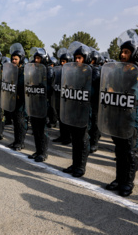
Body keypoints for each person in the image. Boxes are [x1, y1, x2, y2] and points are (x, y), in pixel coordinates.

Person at [104, 30, 138, 197]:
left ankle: (127, 182)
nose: (122, 54)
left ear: (134, 53)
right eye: (122, 51)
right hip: (118, 116)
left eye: (126, 52)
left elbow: (134, 94)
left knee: (130, 152)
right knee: (119, 150)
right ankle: (119, 179)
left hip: (131, 118)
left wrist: (116, 90)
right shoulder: (120, 70)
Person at [62, 42, 93, 177]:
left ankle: (81, 166)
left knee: (82, 139)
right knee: (75, 139)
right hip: (74, 109)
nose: (77, 60)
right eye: (76, 57)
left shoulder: (93, 73)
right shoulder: (72, 72)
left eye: (80, 57)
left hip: (85, 111)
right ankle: (75, 164)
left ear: (85, 58)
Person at [27, 48, 54, 162]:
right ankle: (38, 150)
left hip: (44, 103)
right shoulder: (34, 70)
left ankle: (43, 153)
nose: (36, 60)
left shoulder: (49, 70)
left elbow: (49, 88)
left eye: (38, 58)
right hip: (34, 101)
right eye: (35, 58)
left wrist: (38, 86)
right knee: (35, 128)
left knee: (42, 129)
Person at [7, 43, 27, 151]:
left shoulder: (24, 70)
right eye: (13, 59)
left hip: (21, 100)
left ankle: (21, 142)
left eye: (16, 59)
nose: (14, 61)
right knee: (15, 121)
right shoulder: (12, 69)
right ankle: (16, 141)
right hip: (13, 99)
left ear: (21, 59)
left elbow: (21, 84)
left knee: (21, 121)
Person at [52, 49, 72, 145]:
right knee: (61, 119)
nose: (62, 63)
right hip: (59, 98)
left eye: (64, 61)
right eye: (61, 61)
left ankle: (68, 137)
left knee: (67, 119)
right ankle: (62, 135)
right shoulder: (59, 71)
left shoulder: (73, 72)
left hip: (68, 100)